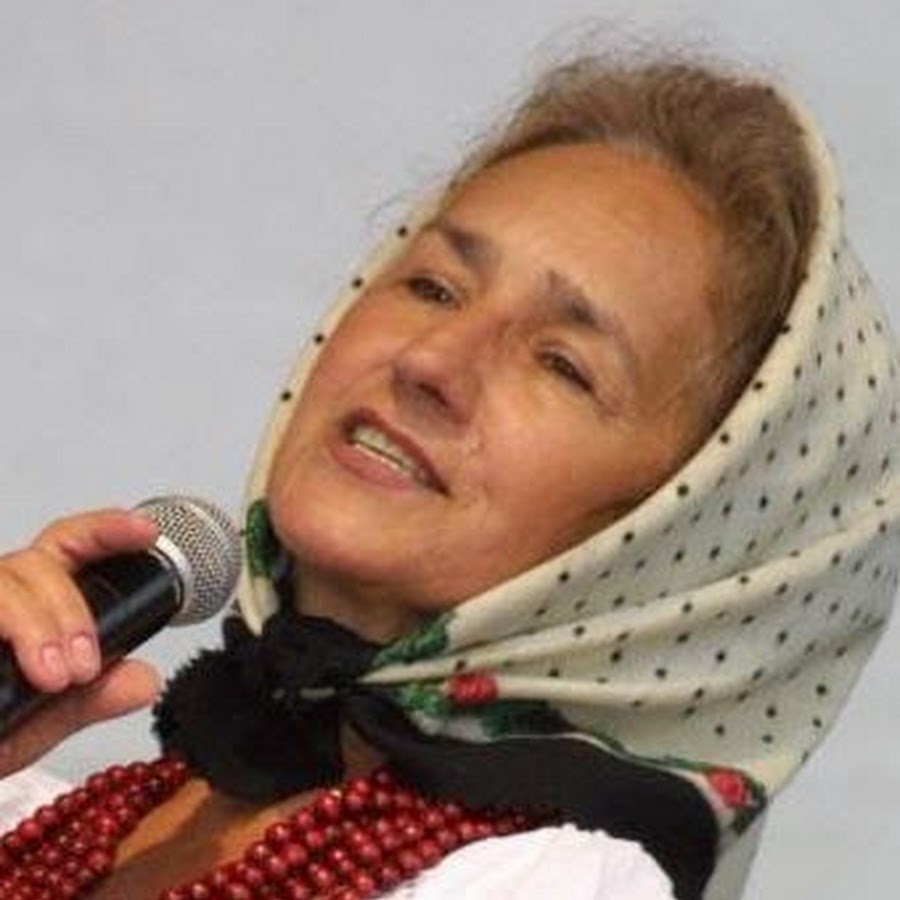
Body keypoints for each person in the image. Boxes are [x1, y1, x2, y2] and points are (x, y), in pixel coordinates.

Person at [0, 55, 895, 900]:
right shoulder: (63, 811)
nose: (431, 359)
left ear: (675, 539)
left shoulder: (556, 884)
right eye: (432, 287)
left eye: (562, 364)